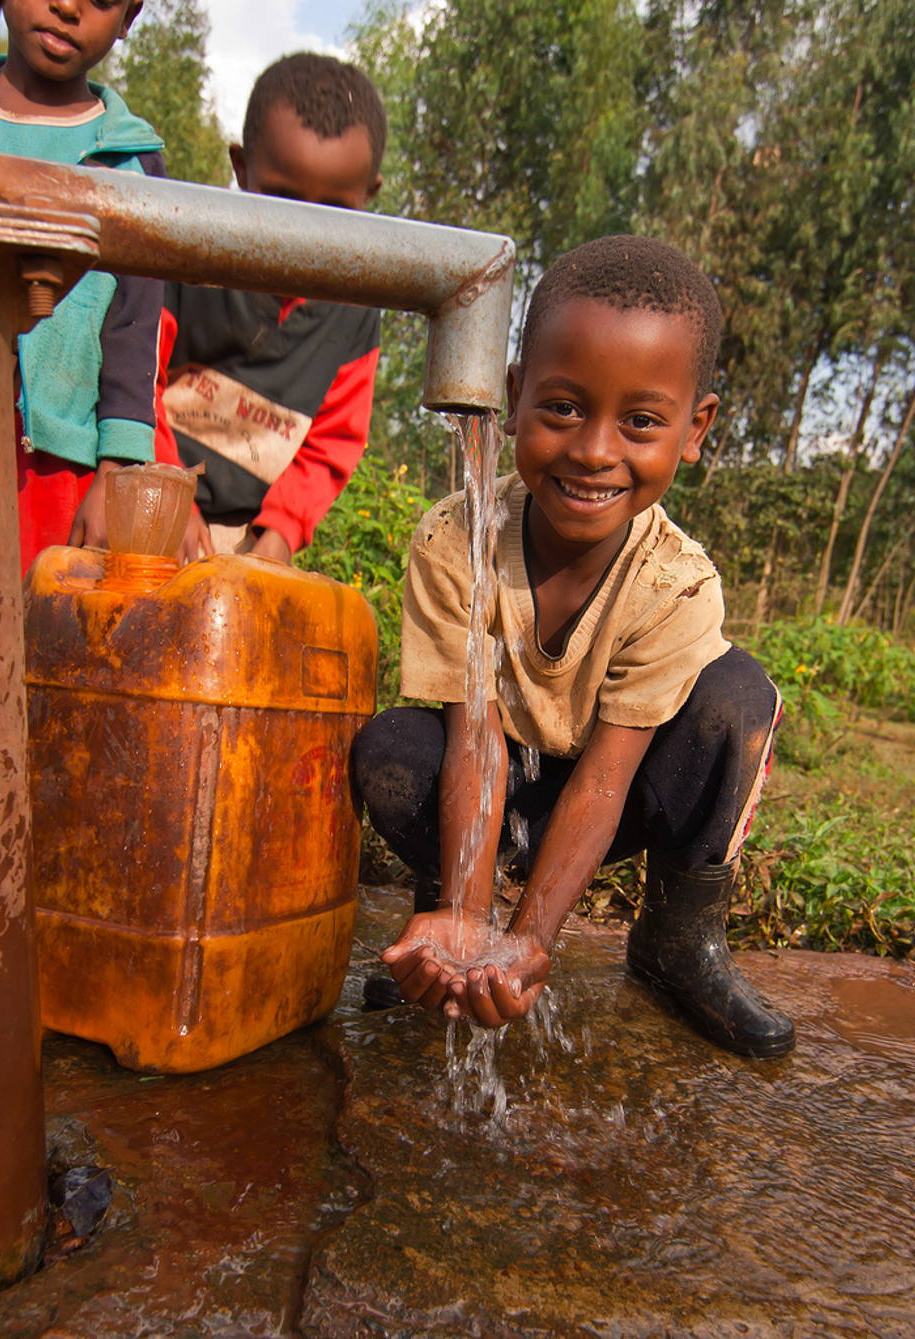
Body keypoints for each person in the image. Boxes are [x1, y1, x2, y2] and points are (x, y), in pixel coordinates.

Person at [353, 235, 796, 1059]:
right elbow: (474, 741)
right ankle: (447, 910)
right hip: (503, 790)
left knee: (737, 699)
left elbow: (604, 778)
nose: (594, 449)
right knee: (393, 746)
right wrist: (476, 928)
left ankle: (677, 939)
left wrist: (530, 941)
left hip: (615, 797)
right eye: (562, 407)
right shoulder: (458, 538)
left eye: (639, 421)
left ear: (694, 428)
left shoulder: (676, 584)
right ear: (514, 396)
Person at [156, 53, 386, 563]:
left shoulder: (357, 307)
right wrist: (170, 500)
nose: (303, 233)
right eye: (281, 198)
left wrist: (277, 539)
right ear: (241, 169)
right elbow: (136, 380)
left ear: (369, 197)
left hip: (251, 540)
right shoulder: (187, 256)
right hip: (155, 503)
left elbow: (331, 442)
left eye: (334, 212)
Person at [0, 0, 167, 573]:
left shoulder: (129, 161)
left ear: (129, 17)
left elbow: (134, 332)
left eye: (99, 1)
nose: (67, 6)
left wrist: (115, 473)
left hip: (57, 470)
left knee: (34, 637)